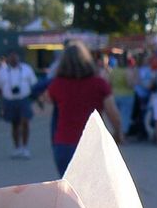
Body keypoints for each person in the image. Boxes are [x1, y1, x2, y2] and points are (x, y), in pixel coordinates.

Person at [47, 40, 122, 176]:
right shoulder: (99, 84)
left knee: (69, 190)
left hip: (64, 143)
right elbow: (114, 115)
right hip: (92, 143)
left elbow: (46, 103)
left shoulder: (56, 85)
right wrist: (117, 134)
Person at [0, 50, 37, 159]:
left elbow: (33, 84)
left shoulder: (26, 69)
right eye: (11, 57)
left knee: (25, 122)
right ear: (8, 59)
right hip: (9, 100)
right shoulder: (3, 71)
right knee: (14, 124)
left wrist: (36, 99)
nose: (13, 59)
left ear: (19, 58)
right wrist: (1, 103)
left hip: (23, 99)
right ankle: (17, 147)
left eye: (15, 57)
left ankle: (25, 147)